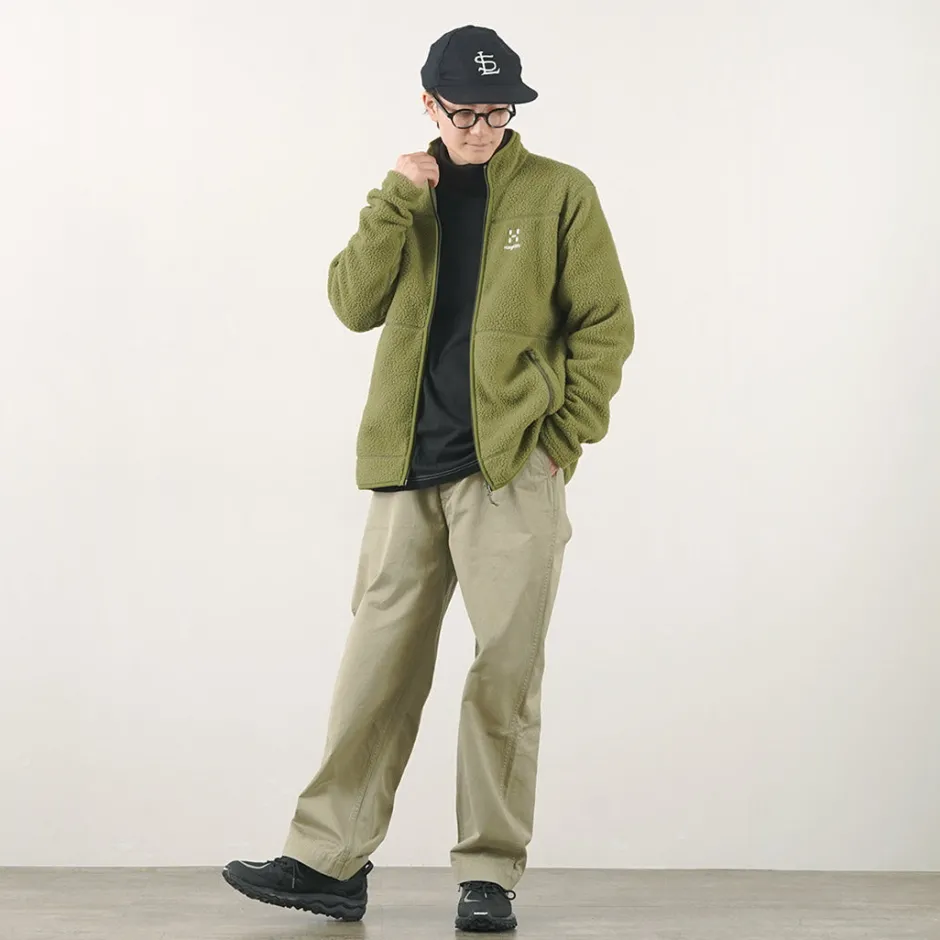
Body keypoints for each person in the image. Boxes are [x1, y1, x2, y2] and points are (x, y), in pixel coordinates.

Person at [223, 23, 634, 933]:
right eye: (465, 113)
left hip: (511, 471)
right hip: (406, 469)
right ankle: (328, 860)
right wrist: (394, 200)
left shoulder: (561, 194)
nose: (482, 129)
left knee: (504, 677)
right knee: (375, 669)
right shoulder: (407, 195)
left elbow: (605, 323)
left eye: (498, 113)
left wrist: (561, 437)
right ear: (428, 104)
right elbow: (351, 303)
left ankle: (488, 873)